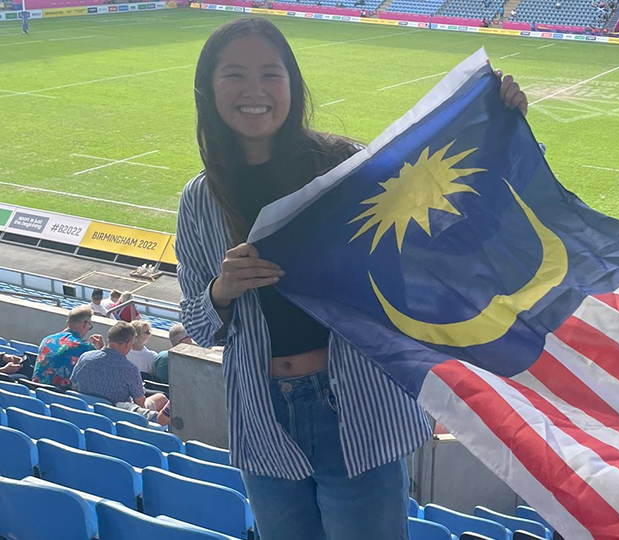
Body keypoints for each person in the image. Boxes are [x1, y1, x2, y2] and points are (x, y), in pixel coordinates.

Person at [176, 17, 527, 540]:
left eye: (271, 74)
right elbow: (198, 326)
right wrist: (221, 292)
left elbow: (441, 236)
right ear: (208, 88)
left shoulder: (345, 167)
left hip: (357, 409)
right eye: (234, 75)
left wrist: (498, 130)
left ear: (293, 85)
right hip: (264, 424)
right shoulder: (200, 198)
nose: (254, 91)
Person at [71, 322, 168, 422]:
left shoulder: (85, 357)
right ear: (127, 343)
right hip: (118, 414)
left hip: (88, 412)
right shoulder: (129, 369)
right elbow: (140, 404)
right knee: (162, 398)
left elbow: (74, 386)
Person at [32, 306, 104, 389]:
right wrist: (102, 349)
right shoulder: (85, 347)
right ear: (85, 324)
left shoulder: (47, 339)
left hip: (36, 389)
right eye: (89, 325)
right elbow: (103, 369)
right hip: (60, 395)